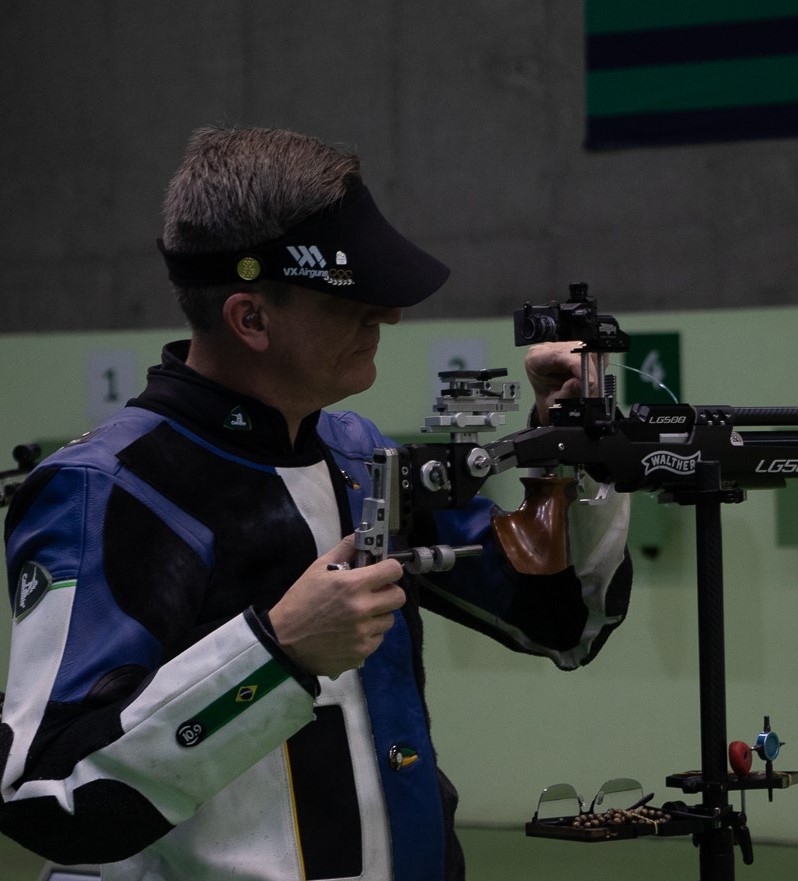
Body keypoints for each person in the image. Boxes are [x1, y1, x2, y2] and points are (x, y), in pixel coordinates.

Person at [0, 127, 632, 881]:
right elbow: (49, 794)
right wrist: (278, 653)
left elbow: (563, 620)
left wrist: (571, 446)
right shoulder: (106, 486)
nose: (386, 317)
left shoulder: (359, 455)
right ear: (250, 318)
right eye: (350, 299)